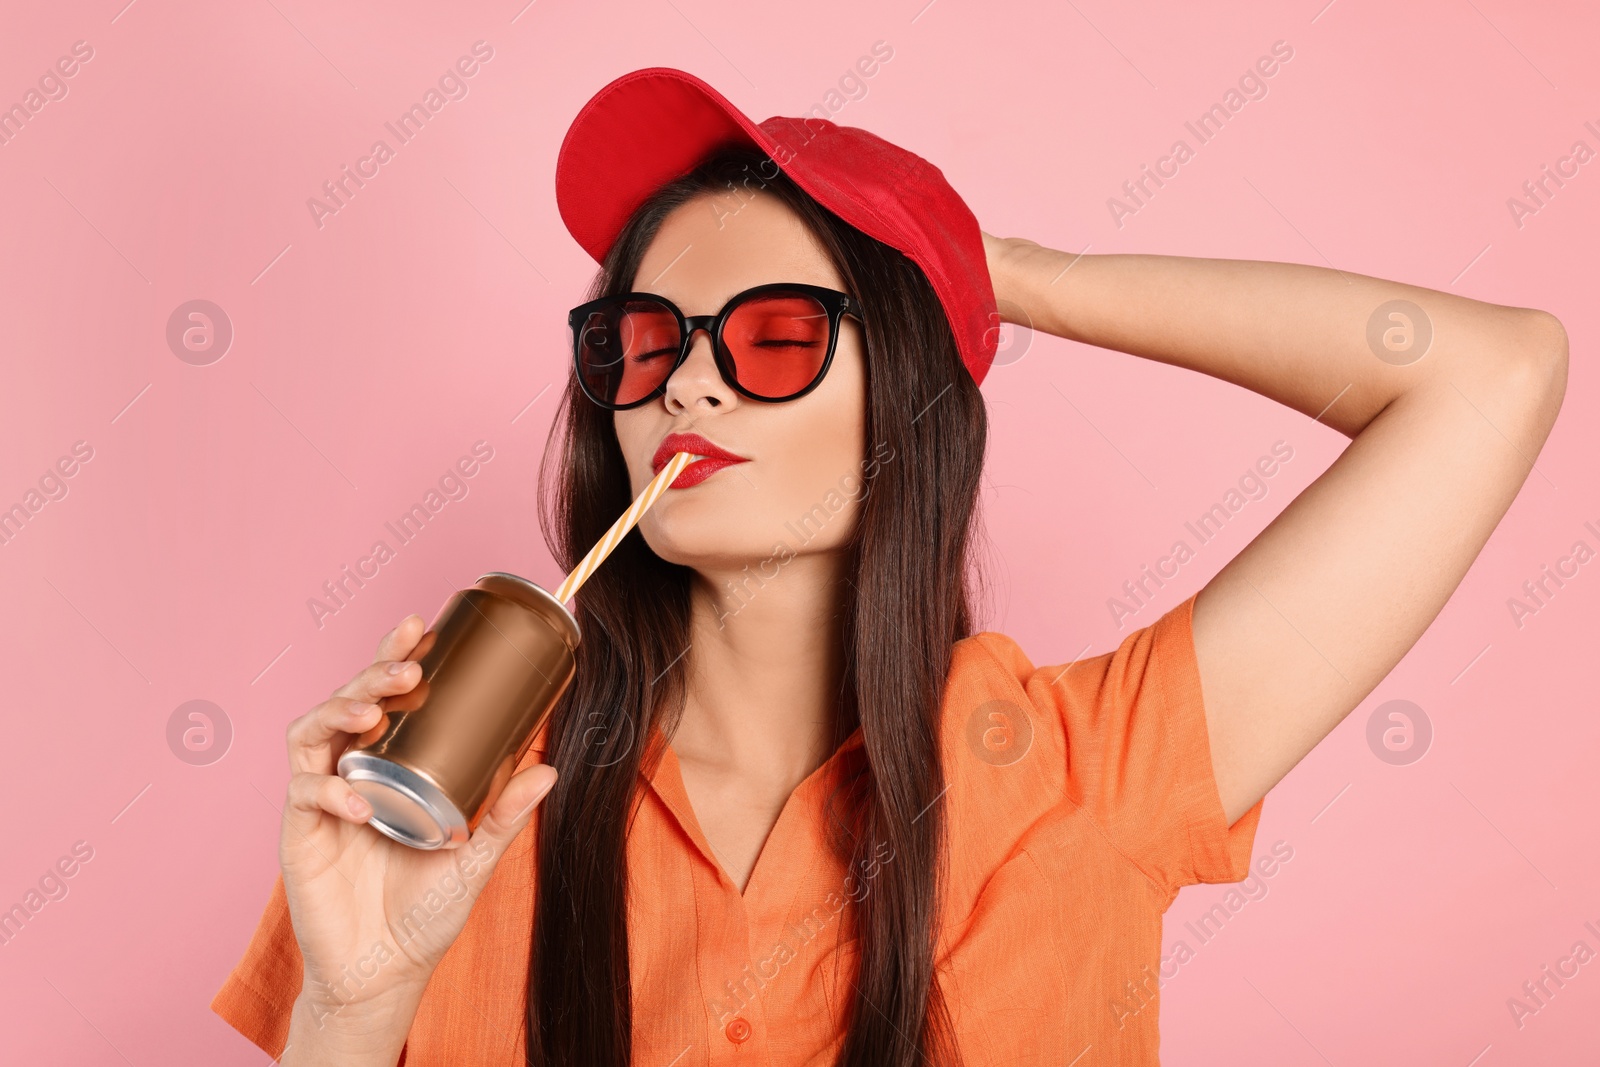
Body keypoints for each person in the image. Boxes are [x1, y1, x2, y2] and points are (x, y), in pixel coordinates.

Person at [211, 69, 1568, 1066]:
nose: (687, 387)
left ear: (904, 395)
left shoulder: (1091, 771)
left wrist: (1009, 278)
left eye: (778, 337)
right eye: (642, 340)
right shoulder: (449, 800)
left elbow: (1492, 375)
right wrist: (358, 1005)